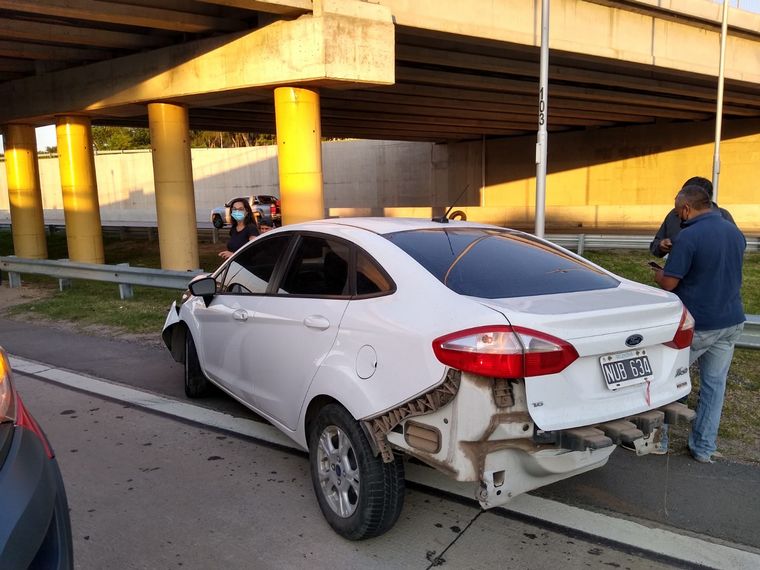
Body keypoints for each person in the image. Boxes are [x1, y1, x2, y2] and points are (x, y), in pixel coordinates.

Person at [651, 185, 746, 464]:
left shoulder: (689, 236)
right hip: (731, 320)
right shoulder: (734, 232)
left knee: (668, 381)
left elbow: (670, 283)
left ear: (686, 209)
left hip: (698, 323)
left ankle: (658, 441)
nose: (678, 214)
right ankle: (704, 447)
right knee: (714, 387)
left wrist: (658, 274)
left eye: (678, 210)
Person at [649, 176, 735, 257]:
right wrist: (661, 246)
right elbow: (655, 247)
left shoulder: (724, 217)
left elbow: (734, 250)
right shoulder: (674, 215)